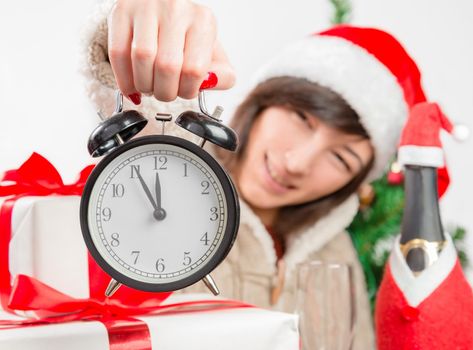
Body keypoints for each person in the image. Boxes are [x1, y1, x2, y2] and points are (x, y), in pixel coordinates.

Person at [83, 1, 429, 348]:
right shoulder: (176, 171)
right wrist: (142, 30)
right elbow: (135, 98)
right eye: (301, 118)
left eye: (341, 158)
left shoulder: (337, 254)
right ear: (263, 101)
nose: (297, 163)